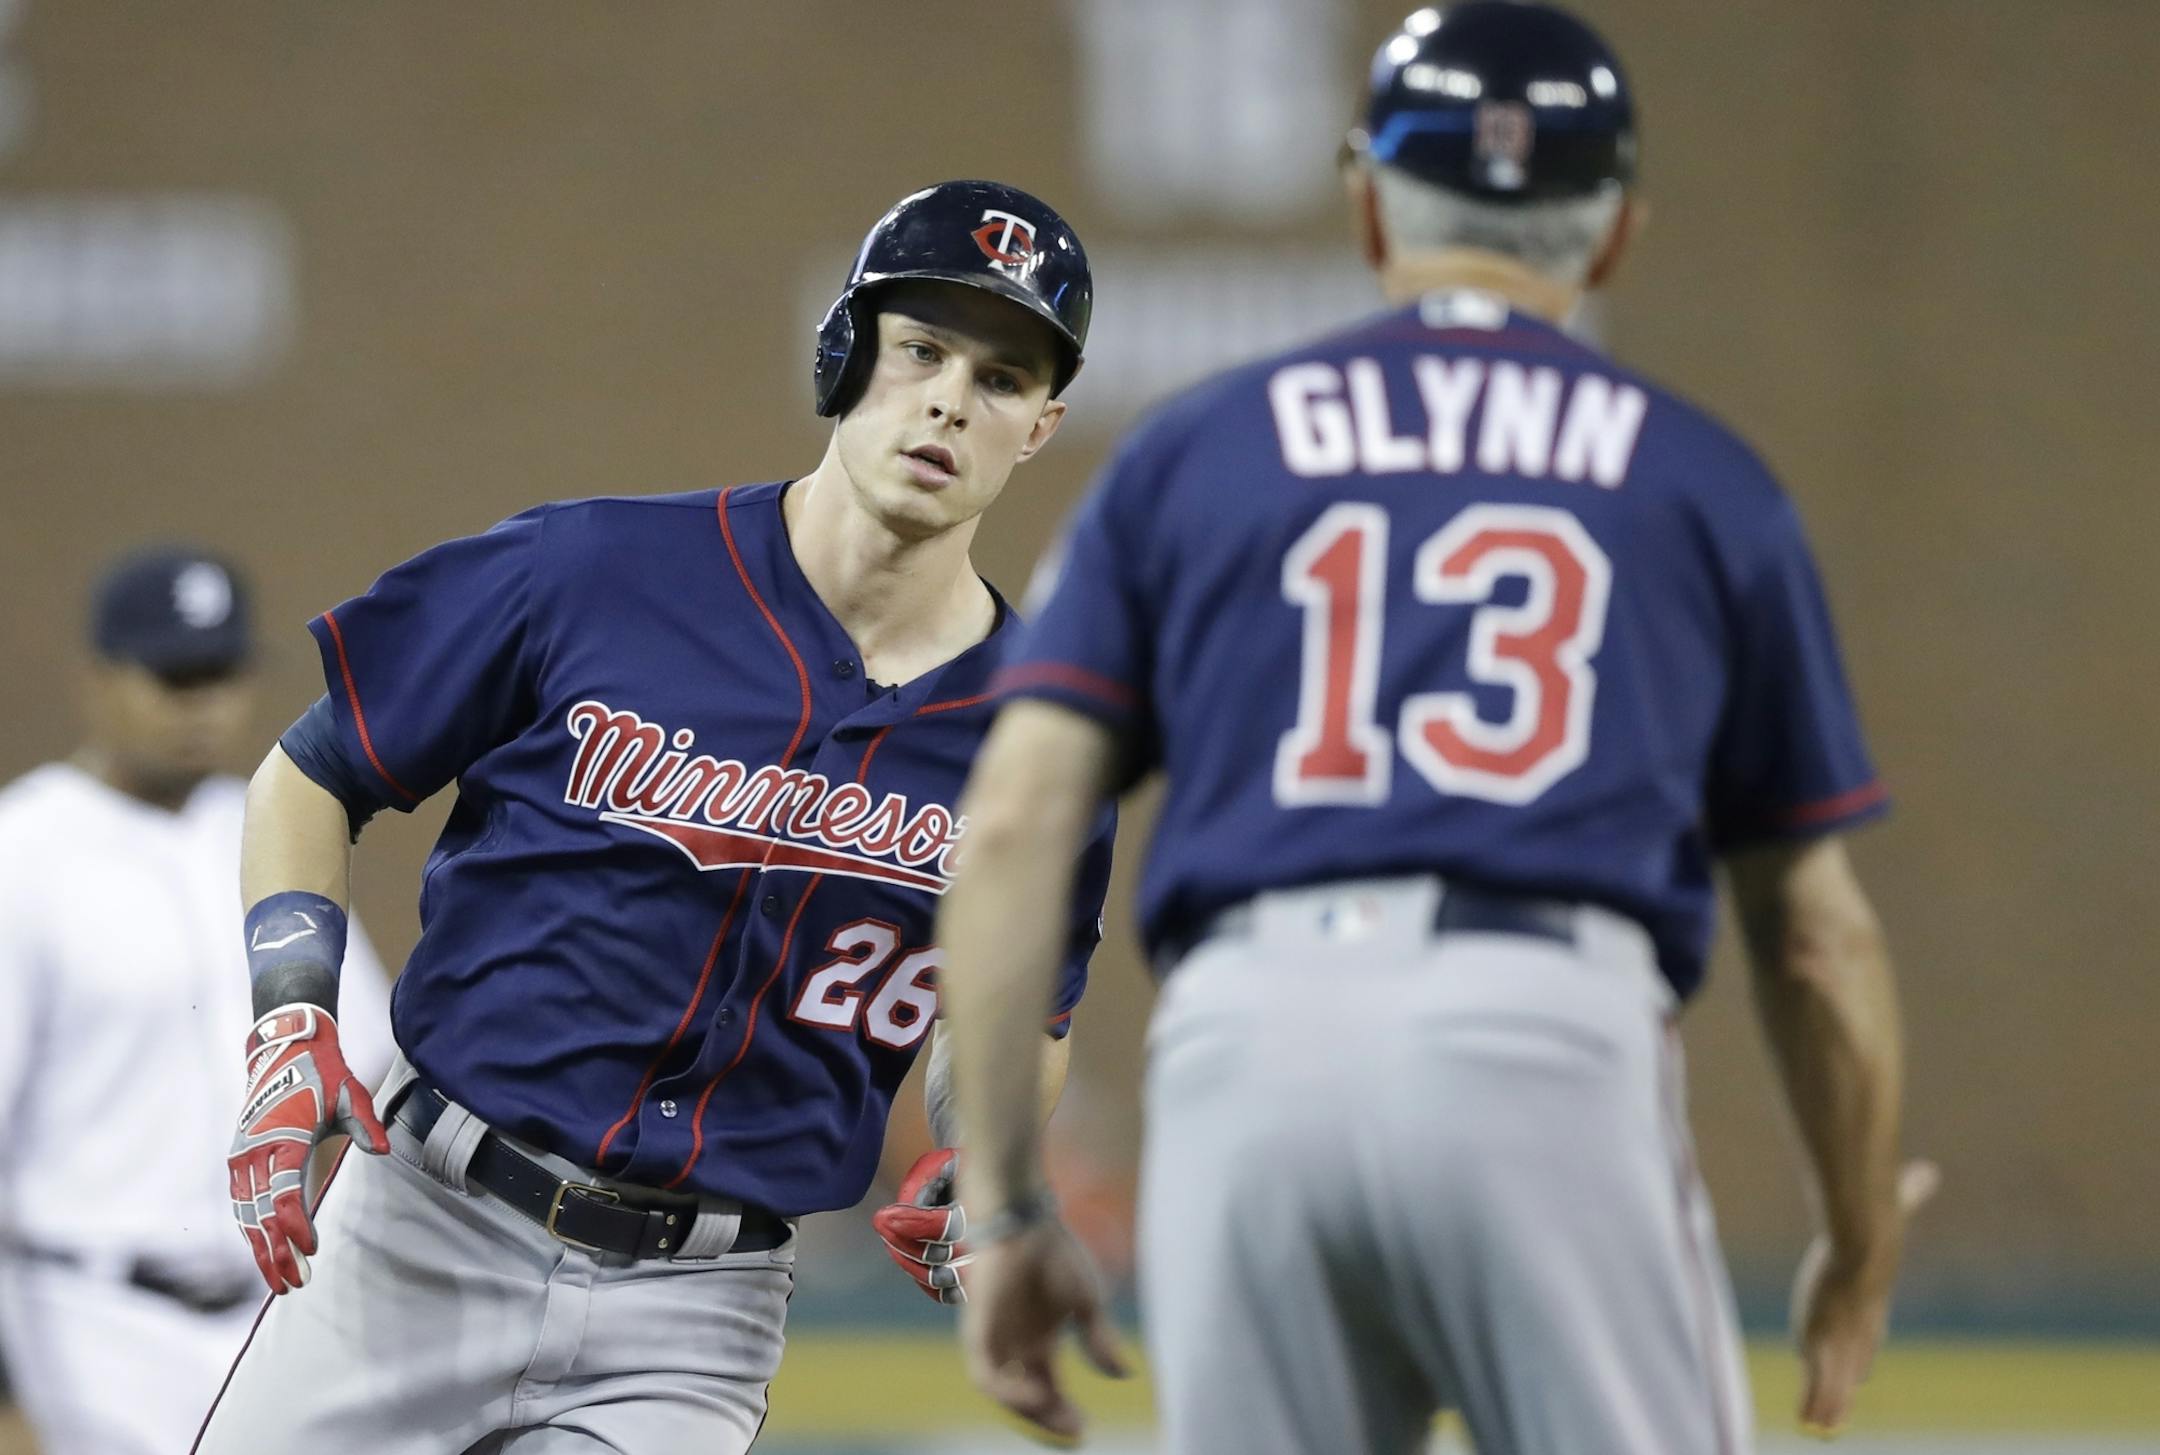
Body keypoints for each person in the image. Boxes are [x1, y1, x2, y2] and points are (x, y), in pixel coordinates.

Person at [932, 6, 1935, 1452]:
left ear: (1368, 205)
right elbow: (1816, 935)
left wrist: (1008, 1204)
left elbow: (1015, 821)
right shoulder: (1700, 478)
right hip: (1540, 1032)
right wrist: (1856, 1231)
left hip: (1245, 1046)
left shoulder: (1195, 448)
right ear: (1613, 235)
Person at [191, 179, 1113, 1455]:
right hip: (419, 1235)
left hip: (699, 1311)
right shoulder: (592, 572)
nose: (952, 397)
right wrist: (291, 1017)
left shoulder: (1040, 739)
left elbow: (1016, 1013)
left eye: (1003, 377)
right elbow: (311, 774)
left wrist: (998, 1159)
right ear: (846, 355)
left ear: (1042, 425)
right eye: (920, 350)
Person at [0, 548, 392, 1455]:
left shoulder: (268, 829)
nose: (201, 705)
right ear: (98, 677)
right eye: (173, 676)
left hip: (272, 1319)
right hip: (84, 1325)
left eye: (219, 674)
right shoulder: (22, 852)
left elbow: (359, 1070)